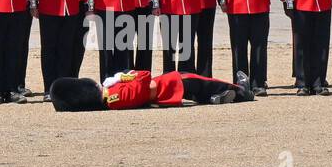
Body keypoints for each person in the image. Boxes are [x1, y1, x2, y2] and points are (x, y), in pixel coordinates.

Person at [48, 71, 251, 111]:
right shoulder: (115, 97)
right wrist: (124, 76)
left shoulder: (110, 98)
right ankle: (241, 91)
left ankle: (216, 98)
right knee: (205, 82)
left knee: (203, 88)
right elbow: (143, 79)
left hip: (167, 89)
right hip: (170, 86)